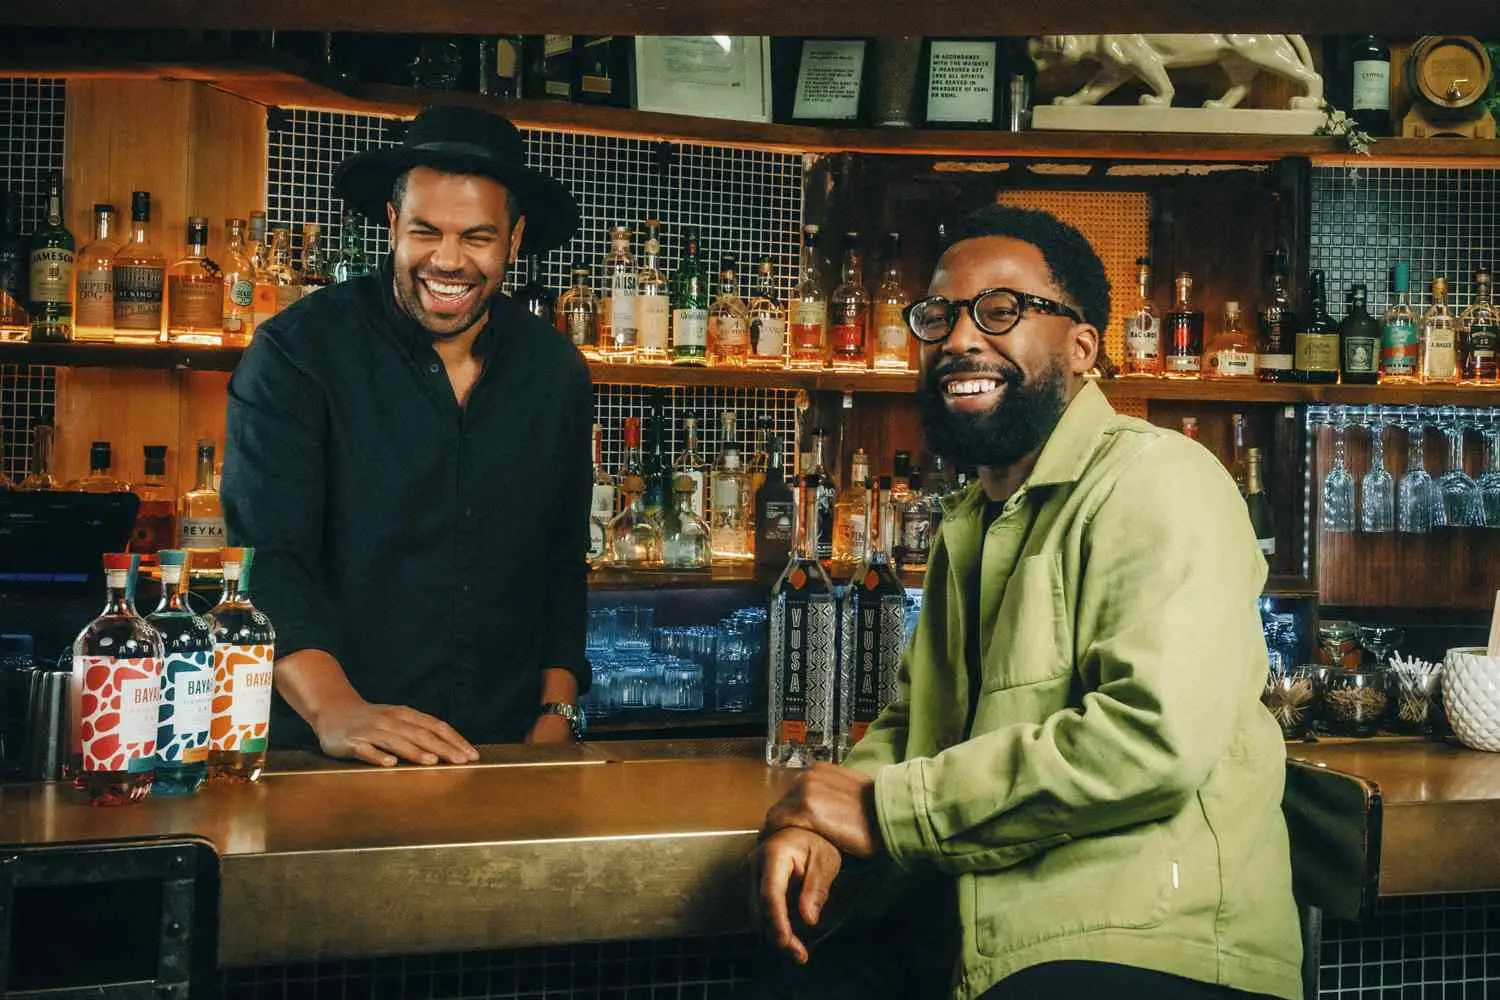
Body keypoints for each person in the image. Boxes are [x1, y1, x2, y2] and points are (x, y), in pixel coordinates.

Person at [746, 205, 1302, 1000]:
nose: (960, 338)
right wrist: (819, 824)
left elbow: (1150, 740)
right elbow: (913, 727)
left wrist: (886, 807)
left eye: (1001, 310)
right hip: (984, 931)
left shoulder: (1158, 480)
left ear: (1082, 347)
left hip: (1147, 943)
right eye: (939, 316)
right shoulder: (968, 522)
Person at [222, 106, 592, 766]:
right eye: (426, 231)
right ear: (392, 225)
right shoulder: (298, 353)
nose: (447, 261)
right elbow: (268, 561)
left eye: (477, 237)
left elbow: (561, 560)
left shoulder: (552, 367)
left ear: (515, 238)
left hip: (503, 749)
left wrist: (555, 711)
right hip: (329, 752)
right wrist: (339, 711)